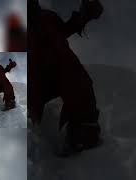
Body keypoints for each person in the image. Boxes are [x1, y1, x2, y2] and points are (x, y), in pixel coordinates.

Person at [28, 0, 104, 155]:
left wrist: (84, 15)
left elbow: (65, 29)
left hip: (62, 66)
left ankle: (82, 133)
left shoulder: (48, 16)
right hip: (37, 77)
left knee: (79, 80)